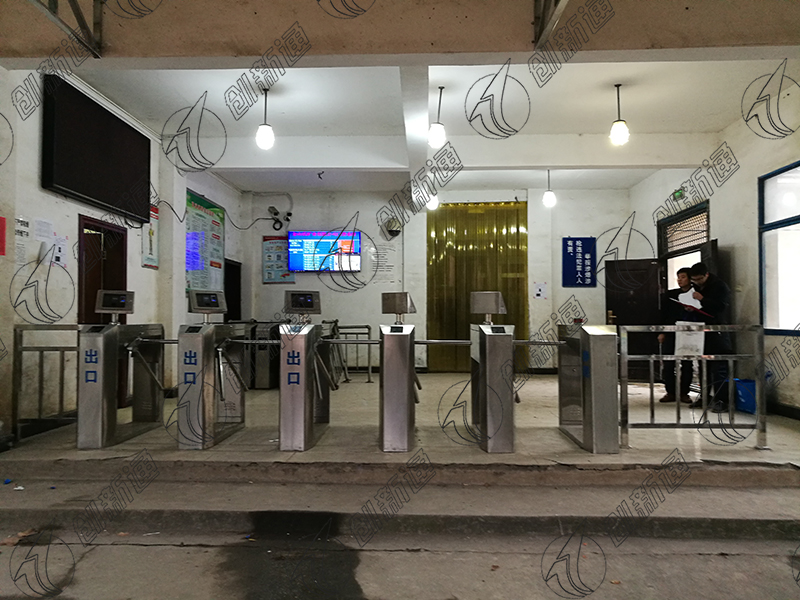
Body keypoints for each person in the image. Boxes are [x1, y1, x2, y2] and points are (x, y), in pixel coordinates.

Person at [687, 262, 732, 413]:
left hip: (717, 331)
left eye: (699, 279)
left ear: (706, 275)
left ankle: (722, 400)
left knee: (719, 368)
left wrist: (702, 299)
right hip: (701, 330)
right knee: (702, 366)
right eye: (694, 280)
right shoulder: (696, 287)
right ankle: (704, 397)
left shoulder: (720, 286)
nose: (697, 282)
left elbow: (721, 307)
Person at [658, 268, 695, 404]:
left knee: (687, 363)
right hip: (671, 331)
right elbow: (663, 314)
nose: (680, 280)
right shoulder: (671, 295)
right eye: (678, 277)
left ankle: (684, 392)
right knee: (668, 363)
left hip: (689, 333)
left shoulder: (696, 294)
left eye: (683, 277)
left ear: (690, 278)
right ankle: (670, 392)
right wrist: (662, 331)